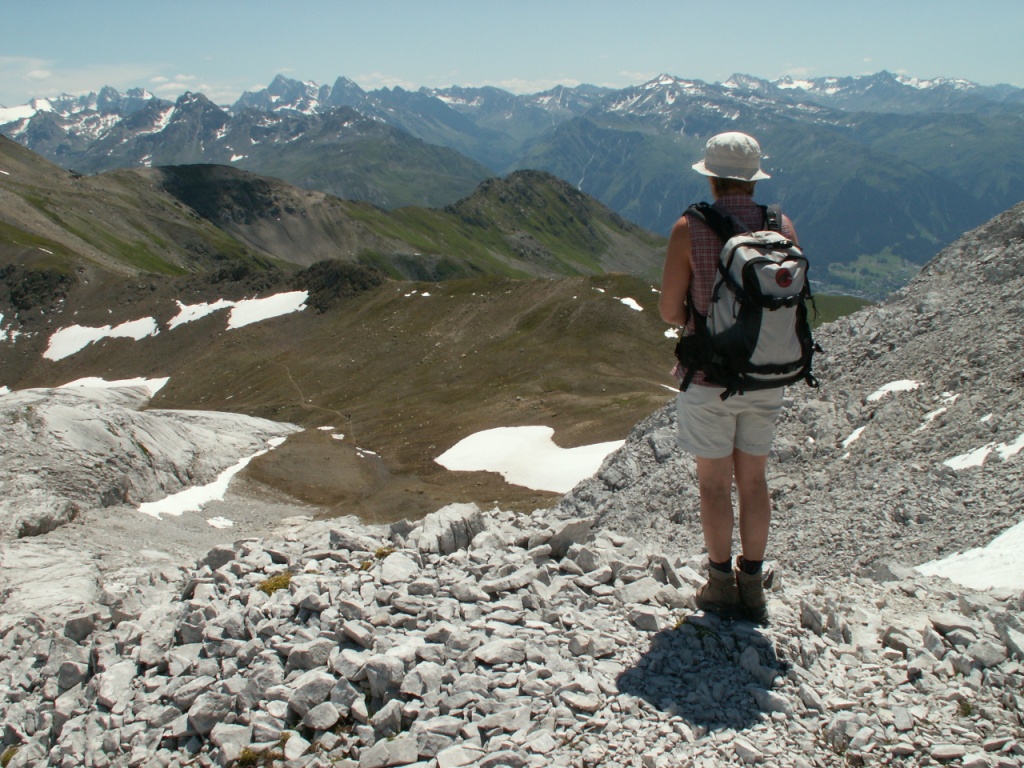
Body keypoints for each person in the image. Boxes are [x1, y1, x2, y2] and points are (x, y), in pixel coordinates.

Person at [659, 131, 798, 623]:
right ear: (754, 179)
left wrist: (702, 322)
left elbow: (669, 310)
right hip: (767, 374)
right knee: (754, 481)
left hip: (709, 379)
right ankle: (753, 588)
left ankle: (720, 586)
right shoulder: (781, 226)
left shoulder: (689, 228)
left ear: (712, 178)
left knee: (714, 485)